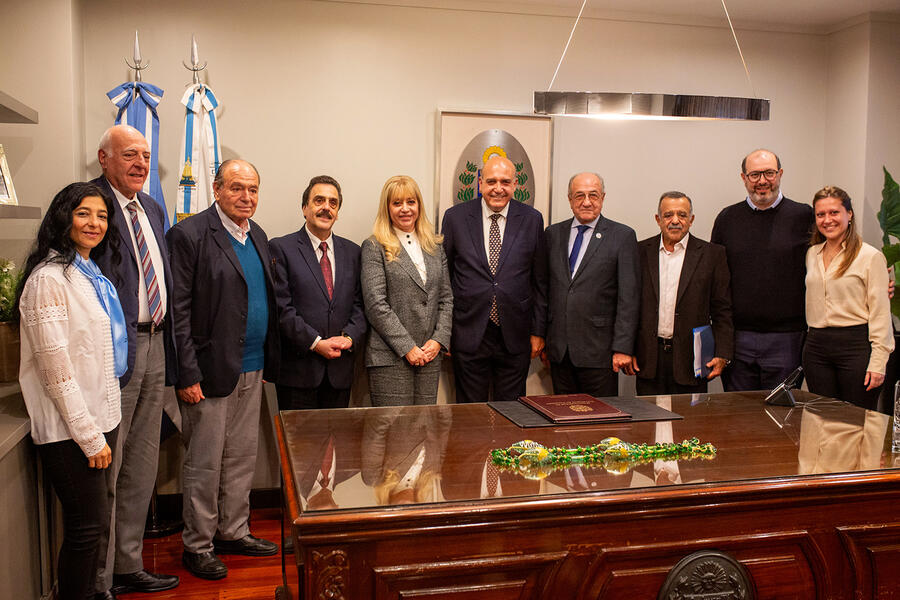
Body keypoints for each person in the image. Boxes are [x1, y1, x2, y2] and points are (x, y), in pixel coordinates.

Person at [166, 159, 279, 581]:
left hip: (252, 365)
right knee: (204, 463)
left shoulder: (258, 235)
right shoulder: (190, 234)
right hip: (209, 371)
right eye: (236, 188)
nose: (246, 197)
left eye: (252, 189)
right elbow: (177, 311)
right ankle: (197, 544)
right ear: (216, 189)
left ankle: (233, 531)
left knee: (240, 459)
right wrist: (187, 373)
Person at [16, 182, 126, 600]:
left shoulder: (87, 272)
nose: (94, 223)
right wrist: (90, 436)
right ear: (64, 217)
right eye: (84, 213)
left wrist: (105, 426)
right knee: (85, 531)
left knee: (95, 529)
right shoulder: (48, 280)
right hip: (71, 432)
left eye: (101, 216)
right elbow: (57, 371)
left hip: (101, 419)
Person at [90, 124, 179, 596]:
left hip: (157, 343)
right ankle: (99, 578)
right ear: (104, 159)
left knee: (142, 461)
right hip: (115, 350)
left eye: (145, 155)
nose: (141, 164)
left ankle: (127, 563)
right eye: (130, 155)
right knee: (112, 460)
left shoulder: (153, 208)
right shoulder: (91, 207)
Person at [441, 155, 546, 403]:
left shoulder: (532, 219)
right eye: (491, 181)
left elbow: (540, 280)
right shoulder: (455, 217)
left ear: (515, 184)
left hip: (515, 333)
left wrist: (538, 331)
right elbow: (444, 279)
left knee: (513, 412)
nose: (498, 188)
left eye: (505, 182)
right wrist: (445, 333)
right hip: (468, 331)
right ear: (479, 183)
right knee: (469, 412)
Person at [710, 149, 813, 391]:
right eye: (755, 175)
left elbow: (829, 261)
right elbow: (715, 277)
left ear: (780, 174)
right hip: (738, 337)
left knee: (782, 418)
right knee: (739, 417)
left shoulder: (804, 216)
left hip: (788, 338)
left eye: (769, 173)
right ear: (744, 178)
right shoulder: (727, 219)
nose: (762, 181)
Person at [269, 175, 366, 410]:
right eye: (319, 200)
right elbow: (281, 308)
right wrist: (316, 343)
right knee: (298, 447)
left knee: (337, 445)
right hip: (298, 372)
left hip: (340, 371)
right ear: (305, 208)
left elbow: (361, 305)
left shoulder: (353, 252)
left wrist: (349, 338)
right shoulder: (281, 248)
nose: (326, 208)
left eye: (333, 203)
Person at [543, 172, 640, 397]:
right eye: (579, 196)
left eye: (593, 195)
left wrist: (623, 348)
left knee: (600, 422)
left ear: (603, 197)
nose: (586, 202)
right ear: (569, 199)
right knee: (562, 418)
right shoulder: (553, 234)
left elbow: (629, 297)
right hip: (560, 351)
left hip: (600, 352)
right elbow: (546, 289)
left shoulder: (622, 236)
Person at [361, 175, 453, 406]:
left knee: (424, 430)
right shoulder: (374, 247)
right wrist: (408, 347)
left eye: (411, 202)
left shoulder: (434, 246)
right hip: (390, 358)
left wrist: (438, 340)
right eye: (397, 203)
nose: (405, 209)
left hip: (429, 356)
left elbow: (446, 299)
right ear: (387, 208)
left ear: (419, 205)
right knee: (395, 433)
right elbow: (376, 305)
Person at [633, 191, 734, 395]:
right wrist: (627, 348)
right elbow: (629, 305)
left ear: (691, 219)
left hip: (692, 359)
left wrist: (723, 352)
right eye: (668, 215)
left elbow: (722, 310)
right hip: (649, 357)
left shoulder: (712, 255)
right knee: (648, 422)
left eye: (682, 215)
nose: (675, 221)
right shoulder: (639, 251)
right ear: (658, 219)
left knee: (689, 424)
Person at [803, 186, 894, 410]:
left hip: (855, 347)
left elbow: (881, 313)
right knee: (821, 420)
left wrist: (879, 362)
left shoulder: (870, 256)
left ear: (849, 214)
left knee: (855, 423)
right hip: (816, 348)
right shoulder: (812, 254)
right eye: (821, 214)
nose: (827, 220)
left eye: (834, 212)